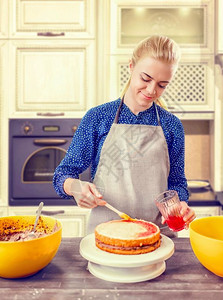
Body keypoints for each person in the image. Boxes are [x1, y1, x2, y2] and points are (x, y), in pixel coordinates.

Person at [53, 35, 196, 236]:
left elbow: (176, 182)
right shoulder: (98, 117)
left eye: (162, 85)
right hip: (106, 236)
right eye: (145, 79)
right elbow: (63, 174)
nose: (151, 90)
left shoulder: (171, 125)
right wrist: (76, 188)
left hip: (158, 238)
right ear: (131, 67)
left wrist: (181, 205)